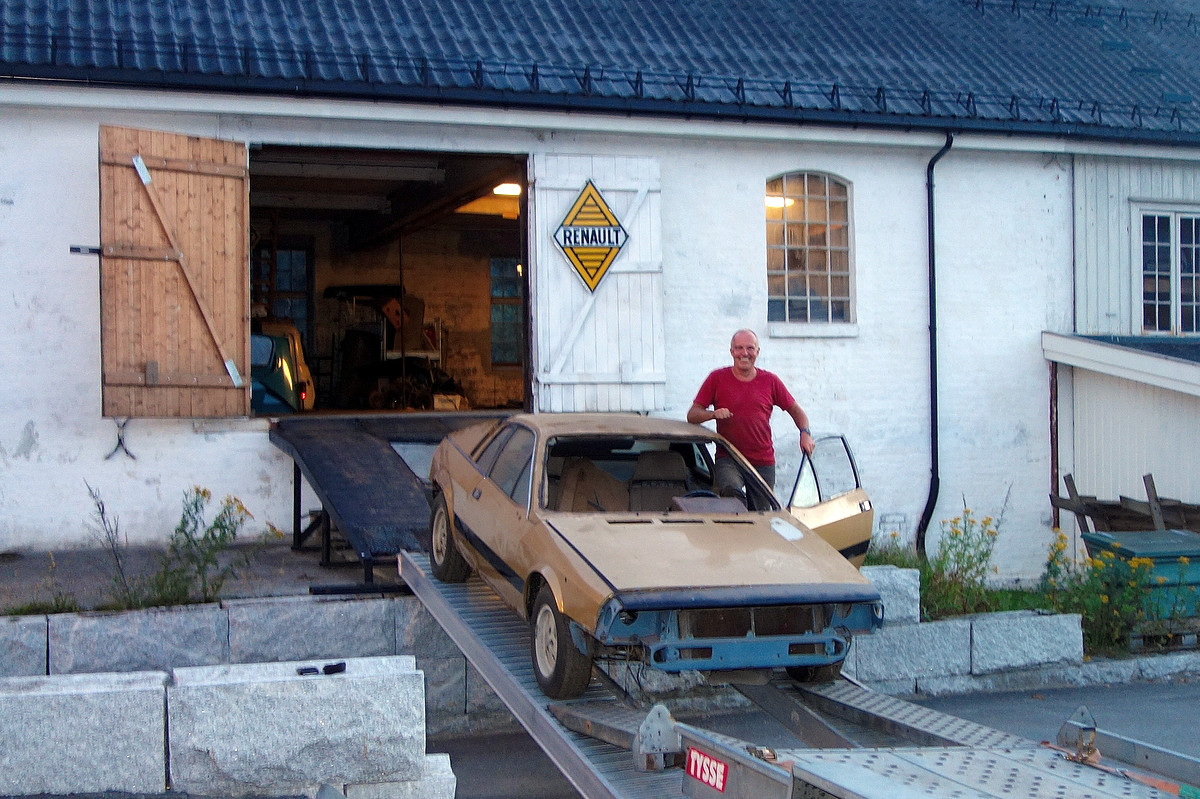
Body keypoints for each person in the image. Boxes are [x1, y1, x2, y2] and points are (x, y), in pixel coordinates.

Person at [687, 329, 814, 495]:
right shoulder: (716, 379)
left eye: (750, 348)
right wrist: (712, 414)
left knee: (762, 513)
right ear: (732, 351)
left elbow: (796, 411)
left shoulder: (770, 381)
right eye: (739, 348)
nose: (744, 353)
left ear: (757, 352)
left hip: (762, 461)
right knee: (733, 497)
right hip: (729, 458)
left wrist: (805, 433)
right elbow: (692, 415)